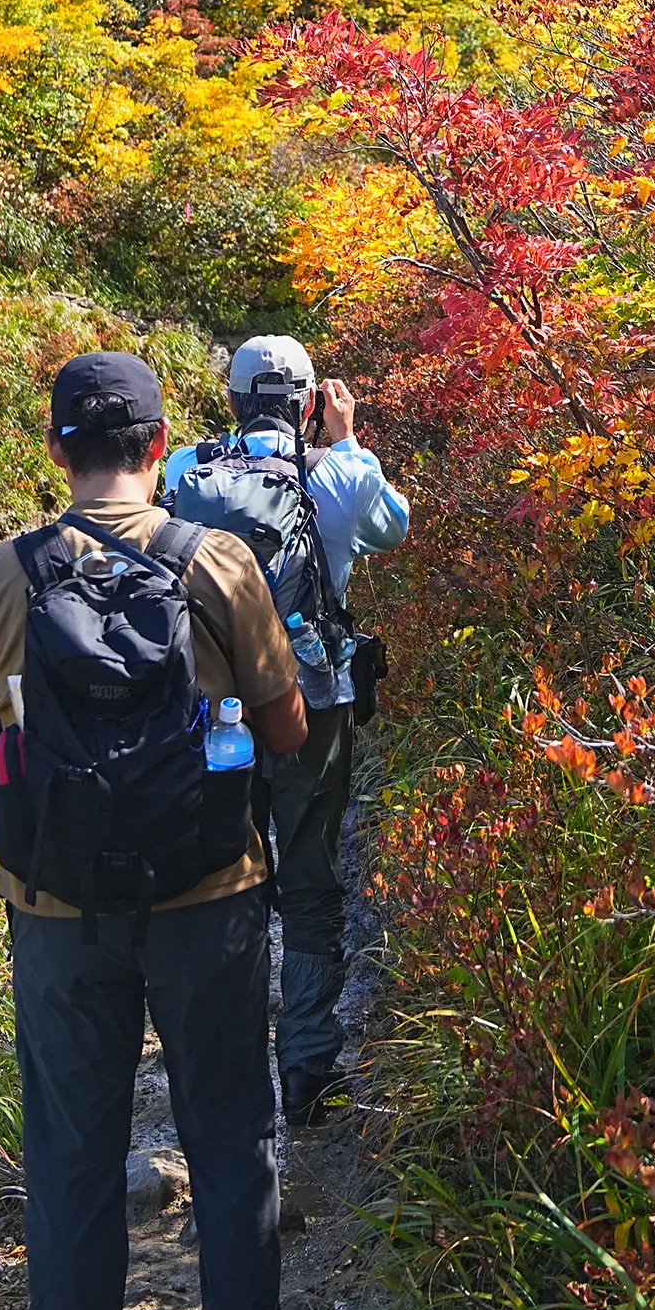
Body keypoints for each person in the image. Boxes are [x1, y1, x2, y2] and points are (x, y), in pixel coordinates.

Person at [0, 351, 308, 1310]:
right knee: (232, 1144)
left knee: (73, 1158)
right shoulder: (219, 560)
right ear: (157, 447)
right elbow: (285, 733)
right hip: (213, 902)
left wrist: (24, 703)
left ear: (57, 451)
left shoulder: (2, 575)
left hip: (56, 915)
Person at [164, 335, 408, 1126]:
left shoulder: (184, 475)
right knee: (308, 883)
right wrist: (349, 438)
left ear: (232, 402)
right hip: (315, 703)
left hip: (209, 710)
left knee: (218, 882)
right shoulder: (335, 475)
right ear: (306, 402)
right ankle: (306, 1072)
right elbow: (393, 528)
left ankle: (225, 1076)